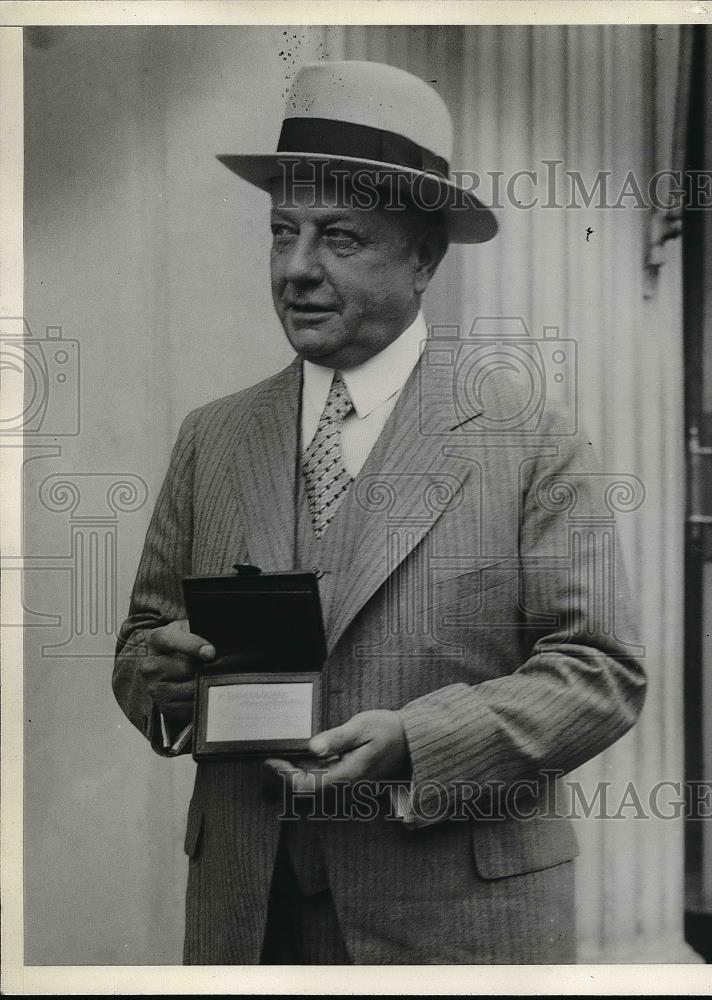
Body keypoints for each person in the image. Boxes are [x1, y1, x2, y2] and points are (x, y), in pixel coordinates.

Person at [113, 60, 646, 965]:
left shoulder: (531, 440)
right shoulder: (214, 437)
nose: (297, 269)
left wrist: (417, 741)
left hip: (454, 930)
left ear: (424, 258)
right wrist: (155, 681)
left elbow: (600, 674)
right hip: (250, 917)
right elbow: (142, 646)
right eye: (282, 232)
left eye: (339, 237)